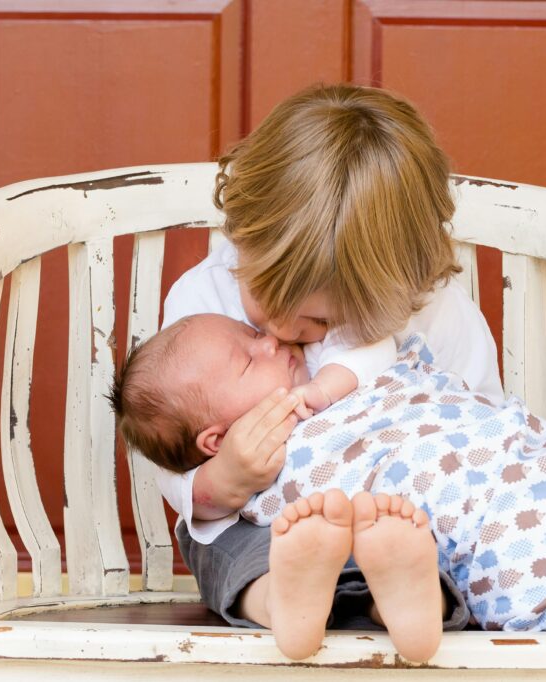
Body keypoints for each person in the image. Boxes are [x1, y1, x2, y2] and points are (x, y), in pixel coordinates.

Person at [148, 83, 503, 661]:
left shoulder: (437, 311)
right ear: (242, 235)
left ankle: (412, 600)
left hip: (405, 519)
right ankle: (281, 599)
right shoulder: (204, 297)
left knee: (437, 548)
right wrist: (222, 481)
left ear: (397, 289)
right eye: (263, 296)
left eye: (318, 319)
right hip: (273, 528)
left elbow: (484, 425)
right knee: (221, 546)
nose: (283, 330)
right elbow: (171, 441)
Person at [111, 316, 546, 659]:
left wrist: (333, 389)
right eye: (248, 358)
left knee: (395, 521)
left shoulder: (345, 348)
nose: (275, 344)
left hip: (447, 487)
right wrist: (225, 478)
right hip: (331, 524)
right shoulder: (198, 309)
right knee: (230, 533)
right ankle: (337, 597)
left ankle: (401, 595)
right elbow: (182, 474)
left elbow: (419, 389)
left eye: (256, 336)